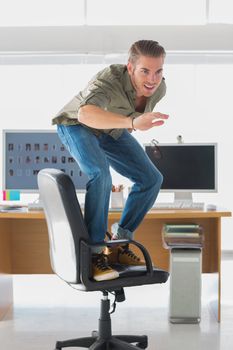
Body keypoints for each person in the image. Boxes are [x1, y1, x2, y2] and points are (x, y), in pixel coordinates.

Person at [52, 40, 169, 281]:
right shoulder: (109, 79)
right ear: (130, 68)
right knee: (100, 174)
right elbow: (85, 113)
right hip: (77, 125)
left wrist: (132, 123)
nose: (152, 79)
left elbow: (129, 116)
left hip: (111, 130)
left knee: (151, 179)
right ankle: (94, 254)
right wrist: (134, 123)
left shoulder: (159, 89)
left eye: (158, 71)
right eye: (145, 71)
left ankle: (119, 243)